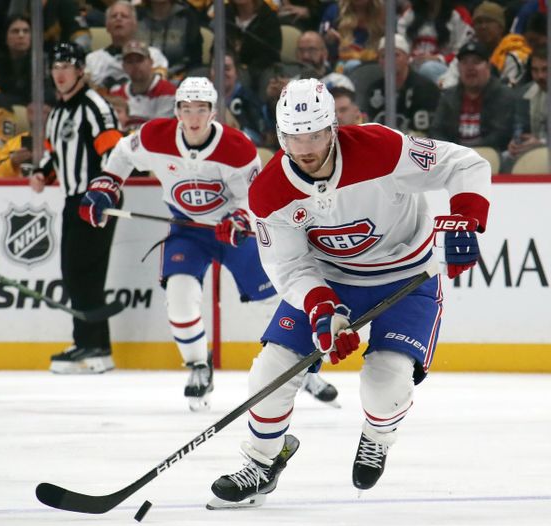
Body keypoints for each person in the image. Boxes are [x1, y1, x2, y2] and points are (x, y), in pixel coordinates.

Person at [207, 78, 490, 508]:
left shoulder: (381, 148)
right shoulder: (268, 191)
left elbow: (466, 164)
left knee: (385, 385)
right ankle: (264, 463)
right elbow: (288, 265)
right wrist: (321, 308)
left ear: (333, 128)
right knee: (270, 371)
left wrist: (466, 218)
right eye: (293, 137)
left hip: (407, 276)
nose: (305, 148)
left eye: (316, 135)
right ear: (280, 136)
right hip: (332, 280)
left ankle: (377, 436)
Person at [79, 76, 338, 411]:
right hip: (187, 230)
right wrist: (108, 185)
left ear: (213, 112)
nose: (194, 117)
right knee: (180, 297)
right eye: (187, 109)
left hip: (233, 232)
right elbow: (123, 153)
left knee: (276, 299)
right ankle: (198, 366)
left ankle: (301, 370)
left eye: (201, 109)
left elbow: (254, 197)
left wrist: (240, 218)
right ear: (177, 111)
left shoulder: (238, 147)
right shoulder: (155, 137)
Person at [28, 43, 123, 375]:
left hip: (97, 198)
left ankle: (92, 345)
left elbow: (113, 152)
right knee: (75, 273)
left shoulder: (95, 106)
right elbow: (55, 152)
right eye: (55, 66)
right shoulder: (58, 112)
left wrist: (103, 192)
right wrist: (42, 172)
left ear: (81, 70)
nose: (60, 73)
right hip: (73, 200)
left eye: (67, 66)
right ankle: (94, 344)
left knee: (85, 273)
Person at [429, 41, 514, 152]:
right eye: (464, 62)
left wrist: (467, 151)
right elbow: (436, 131)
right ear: (459, 68)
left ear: (488, 66)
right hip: (454, 156)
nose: (470, 68)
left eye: (476, 62)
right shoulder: (448, 96)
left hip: (490, 154)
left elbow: (500, 135)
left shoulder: (504, 95)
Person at [85, 1, 169, 91]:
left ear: (135, 25)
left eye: (124, 16)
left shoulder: (153, 55)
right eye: (114, 16)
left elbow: (158, 89)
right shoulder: (93, 59)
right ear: (107, 26)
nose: (118, 19)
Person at [365, 34, 440, 134]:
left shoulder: (426, 89)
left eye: (395, 55)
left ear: (408, 58)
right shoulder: (374, 90)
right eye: (383, 56)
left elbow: (426, 132)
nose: (389, 60)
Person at [109, 40, 177, 131]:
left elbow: (160, 131)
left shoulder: (169, 92)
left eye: (139, 60)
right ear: (123, 66)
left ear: (151, 62)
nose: (135, 65)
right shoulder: (116, 95)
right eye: (130, 61)